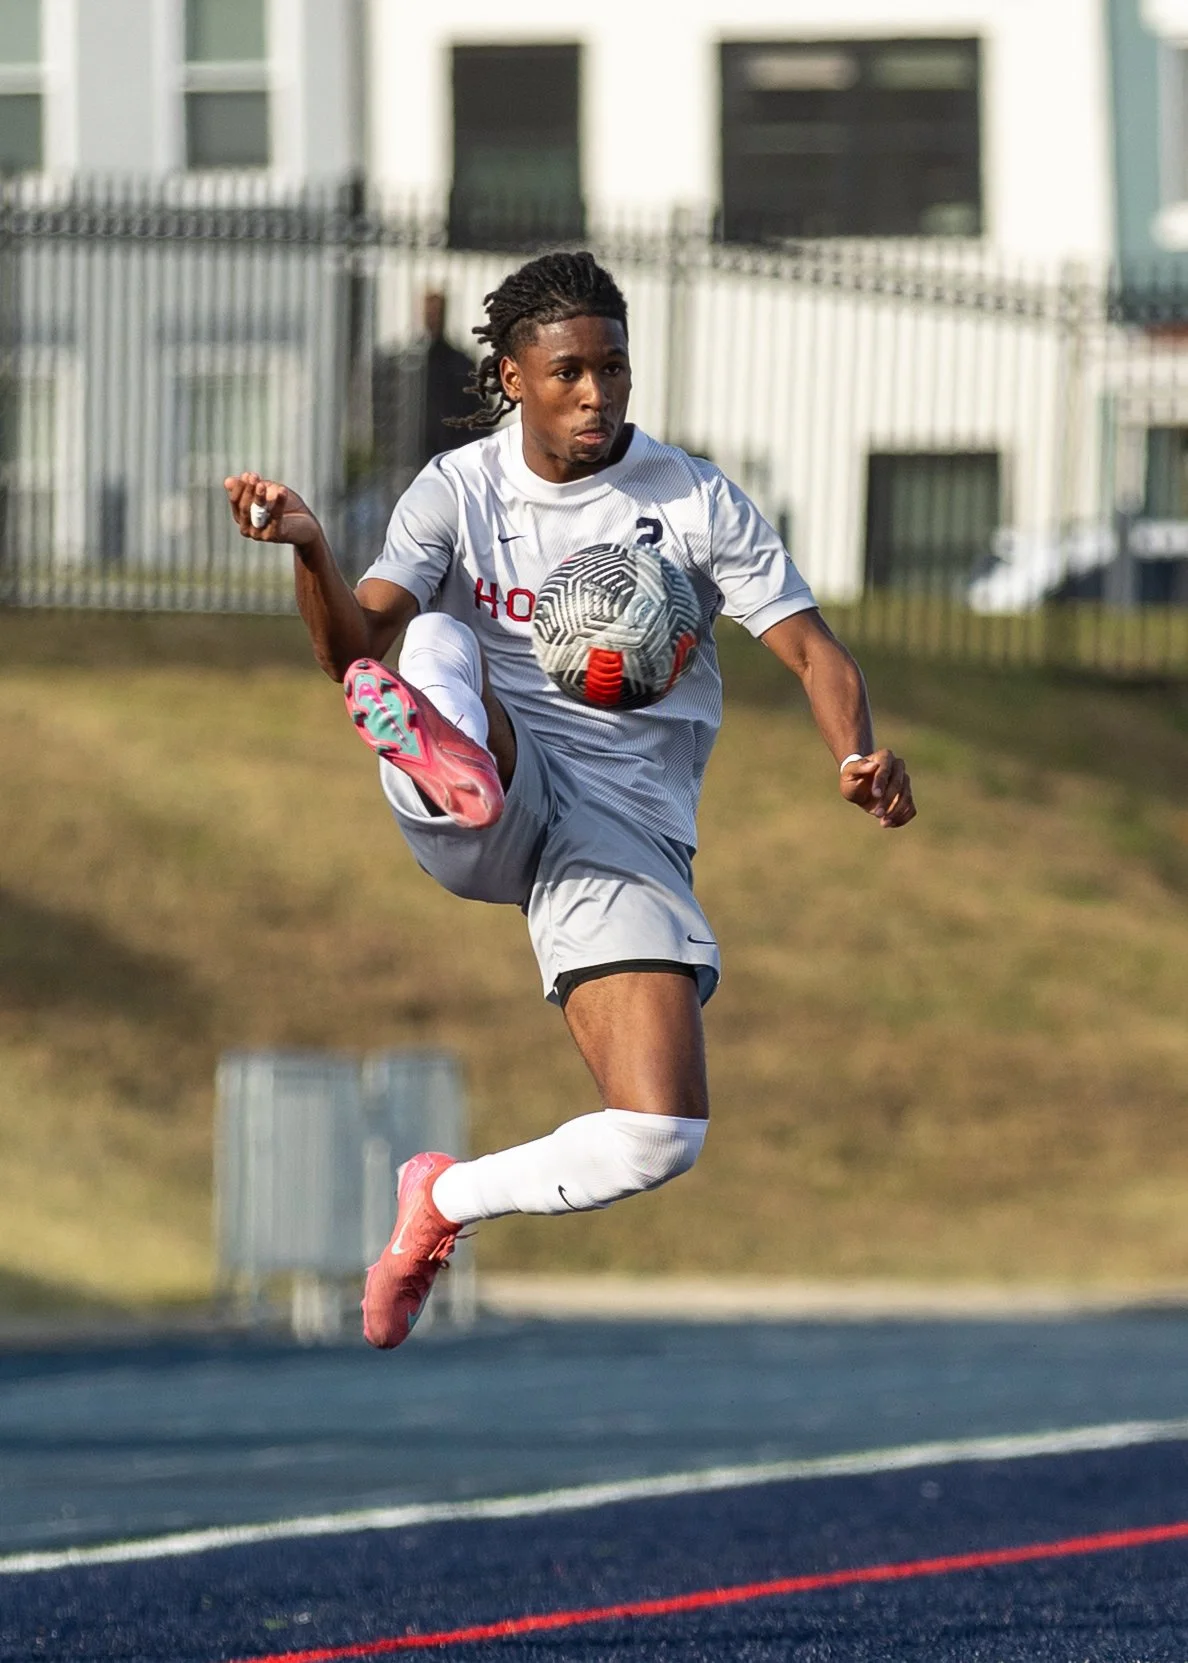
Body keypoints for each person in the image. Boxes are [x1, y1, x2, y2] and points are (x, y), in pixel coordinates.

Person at [224, 250, 916, 1351]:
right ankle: (449, 757)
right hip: (487, 799)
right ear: (511, 377)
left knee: (661, 1133)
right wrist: (310, 545)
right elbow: (352, 646)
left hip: (619, 835)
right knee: (439, 634)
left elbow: (814, 653)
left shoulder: (693, 499)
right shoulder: (459, 488)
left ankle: (439, 1201)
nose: (597, 395)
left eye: (614, 368)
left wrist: (857, 756)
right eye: (568, 374)